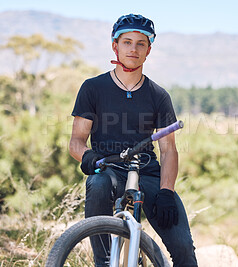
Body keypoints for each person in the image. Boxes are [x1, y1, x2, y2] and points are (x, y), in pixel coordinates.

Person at [69, 14, 198, 267]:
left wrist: (166, 191)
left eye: (141, 43)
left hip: (147, 172)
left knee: (184, 251)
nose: (133, 49)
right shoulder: (92, 88)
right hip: (108, 167)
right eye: (127, 42)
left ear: (149, 50)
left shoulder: (158, 95)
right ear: (115, 46)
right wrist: (87, 156)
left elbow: (169, 150)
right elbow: (76, 140)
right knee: (97, 183)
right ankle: (103, 262)